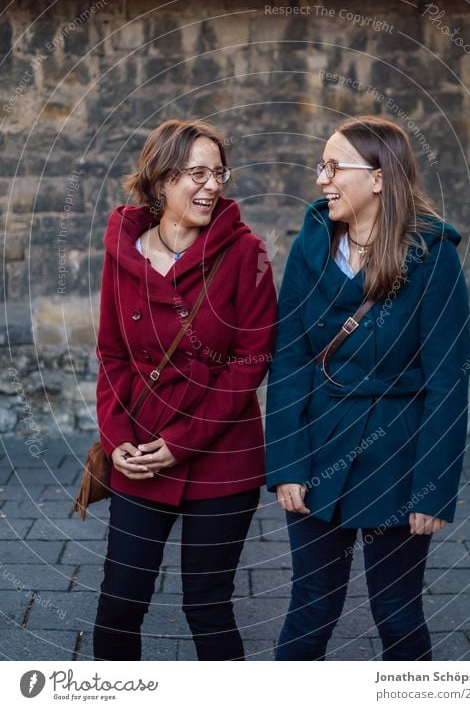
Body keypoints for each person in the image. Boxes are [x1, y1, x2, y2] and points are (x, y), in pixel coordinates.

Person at [265, 115, 470, 661]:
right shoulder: (310, 249)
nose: (322, 179)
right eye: (321, 166)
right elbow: (290, 358)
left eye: (334, 167)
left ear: (379, 177)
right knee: (310, 605)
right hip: (317, 449)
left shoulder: (434, 255)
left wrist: (433, 488)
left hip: (399, 457)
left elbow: (448, 379)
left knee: (397, 613)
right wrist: (286, 463)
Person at [93, 119, 277, 661]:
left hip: (223, 459)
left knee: (208, 605)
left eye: (218, 172)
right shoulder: (121, 252)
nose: (211, 185)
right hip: (140, 456)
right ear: (161, 181)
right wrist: (116, 438)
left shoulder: (248, 254)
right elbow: (112, 353)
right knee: (119, 604)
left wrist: (184, 441)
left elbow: (251, 360)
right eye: (196, 172)